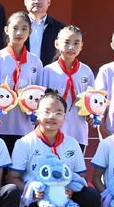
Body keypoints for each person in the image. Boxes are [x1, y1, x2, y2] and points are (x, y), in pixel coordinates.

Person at [8, 90, 100, 207]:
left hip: (65, 199)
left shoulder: (72, 143)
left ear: (65, 117)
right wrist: (31, 191)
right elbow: (12, 178)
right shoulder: (25, 143)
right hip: (37, 202)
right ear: (37, 113)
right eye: (47, 111)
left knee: (91, 195)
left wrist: (72, 190)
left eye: (58, 113)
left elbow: (81, 176)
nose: (52, 117)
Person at [0, 11, 45, 154]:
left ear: (30, 32)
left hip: (26, 126)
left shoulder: (35, 62)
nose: (19, 32)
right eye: (15, 28)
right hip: (1, 124)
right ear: (6, 30)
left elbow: (41, 94)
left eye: (24, 29)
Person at [41, 25, 96, 153]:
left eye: (76, 43)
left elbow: (93, 100)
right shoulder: (48, 71)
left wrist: (91, 113)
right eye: (66, 42)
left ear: (81, 46)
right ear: (57, 44)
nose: (71, 47)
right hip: (52, 130)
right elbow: (41, 101)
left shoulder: (86, 71)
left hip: (78, 131)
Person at [24, 0, 65, 66]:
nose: (37, 1)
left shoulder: (60, 28)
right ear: (25, 2)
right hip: (21, 71)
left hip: (48, 71)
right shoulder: (16, 26)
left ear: (48, 2)